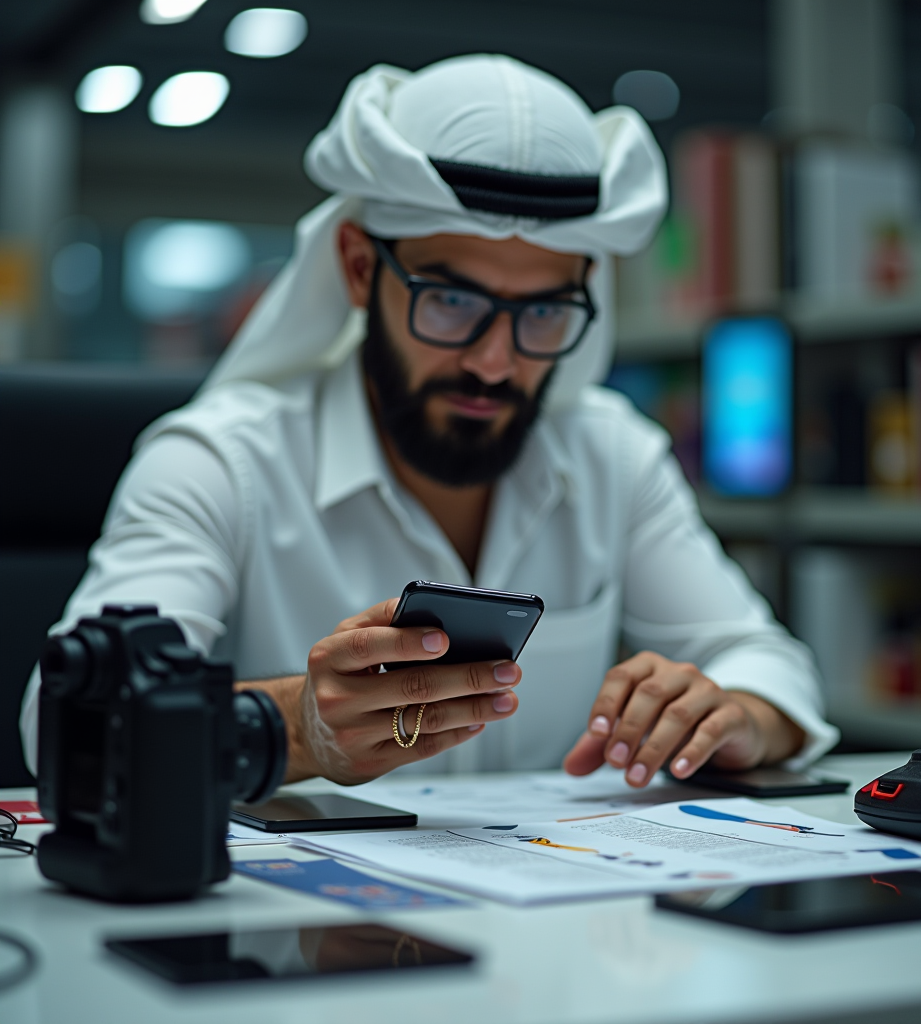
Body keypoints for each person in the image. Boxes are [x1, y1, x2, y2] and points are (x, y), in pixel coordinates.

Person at [20, 55, 837, 789]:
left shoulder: (612, 454)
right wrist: (295, 728)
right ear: (358, 268)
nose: (494, 361)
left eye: (544, 311)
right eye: (451, 301)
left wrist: (734, 714)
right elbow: (63, 722)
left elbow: (765, 662)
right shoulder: (217, 463)